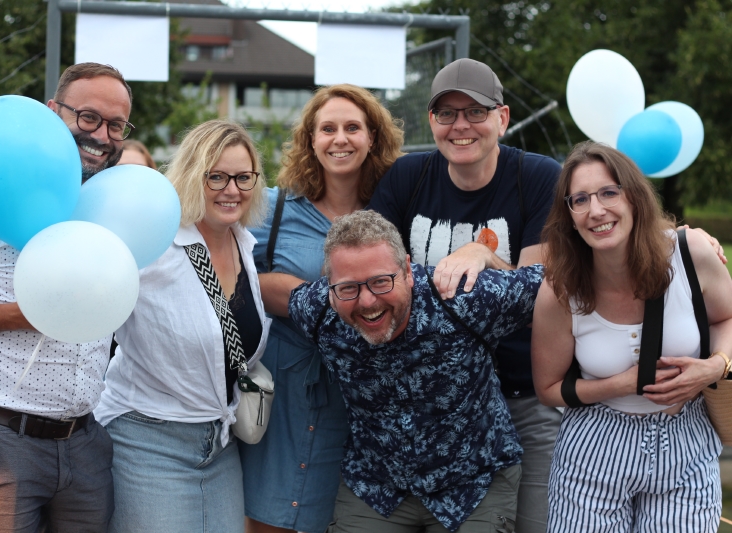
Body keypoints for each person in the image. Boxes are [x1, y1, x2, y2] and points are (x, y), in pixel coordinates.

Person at [0, 62, 133, 532]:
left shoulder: (115, 208)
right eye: (88, 117)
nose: (101, 135)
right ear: (53, 111)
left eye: (116, 125)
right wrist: (23, 313)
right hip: (3, 440)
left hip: (86, 442)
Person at [367, 57, 562, 533]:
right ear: (431, 120)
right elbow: (374, 280)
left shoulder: (537, 177)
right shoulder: (407, 177)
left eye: (475, 111)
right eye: (446, 113)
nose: (460, 126)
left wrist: (484, 255)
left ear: (502, 118)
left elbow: (542, 292)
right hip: (430, 406)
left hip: (521, 395)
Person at [282, 210, 542, 532]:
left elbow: (557, 284)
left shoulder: (461, 297)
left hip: (472, 481)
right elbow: (270, 291)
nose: (367, 301)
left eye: (381, 281)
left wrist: (485, 254)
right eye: (348, 288)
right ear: (329, 288)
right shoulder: (318, 310)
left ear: (407, 271)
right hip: (378, 487)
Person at [531, 141, 732, 532]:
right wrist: (621, 384)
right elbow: (549, 389)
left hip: (685, 447)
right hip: (594, 452)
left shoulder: (689, 254)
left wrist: (715, 366)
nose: (596, 210)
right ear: (569, 215)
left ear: (635, 198)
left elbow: (728, 318)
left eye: (609, 192)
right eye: (580, 199)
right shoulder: (561, 288)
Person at [239, 84, 404, 533]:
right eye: (327, 128)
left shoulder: (394, 212)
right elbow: (237, 280)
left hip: (361, 396)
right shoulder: (273, 208)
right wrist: (306, 295)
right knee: (268, 517)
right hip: (284, 392)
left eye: (353, 127)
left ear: (373, 137)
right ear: (310, 139)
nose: (340, 139)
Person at [92, 119, 270, 532]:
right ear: (192, 175)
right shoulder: (155, 243)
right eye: (216, 177)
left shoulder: (242, 242)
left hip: (220, 445)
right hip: (147, 441)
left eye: (243, 177)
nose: (232, 190)